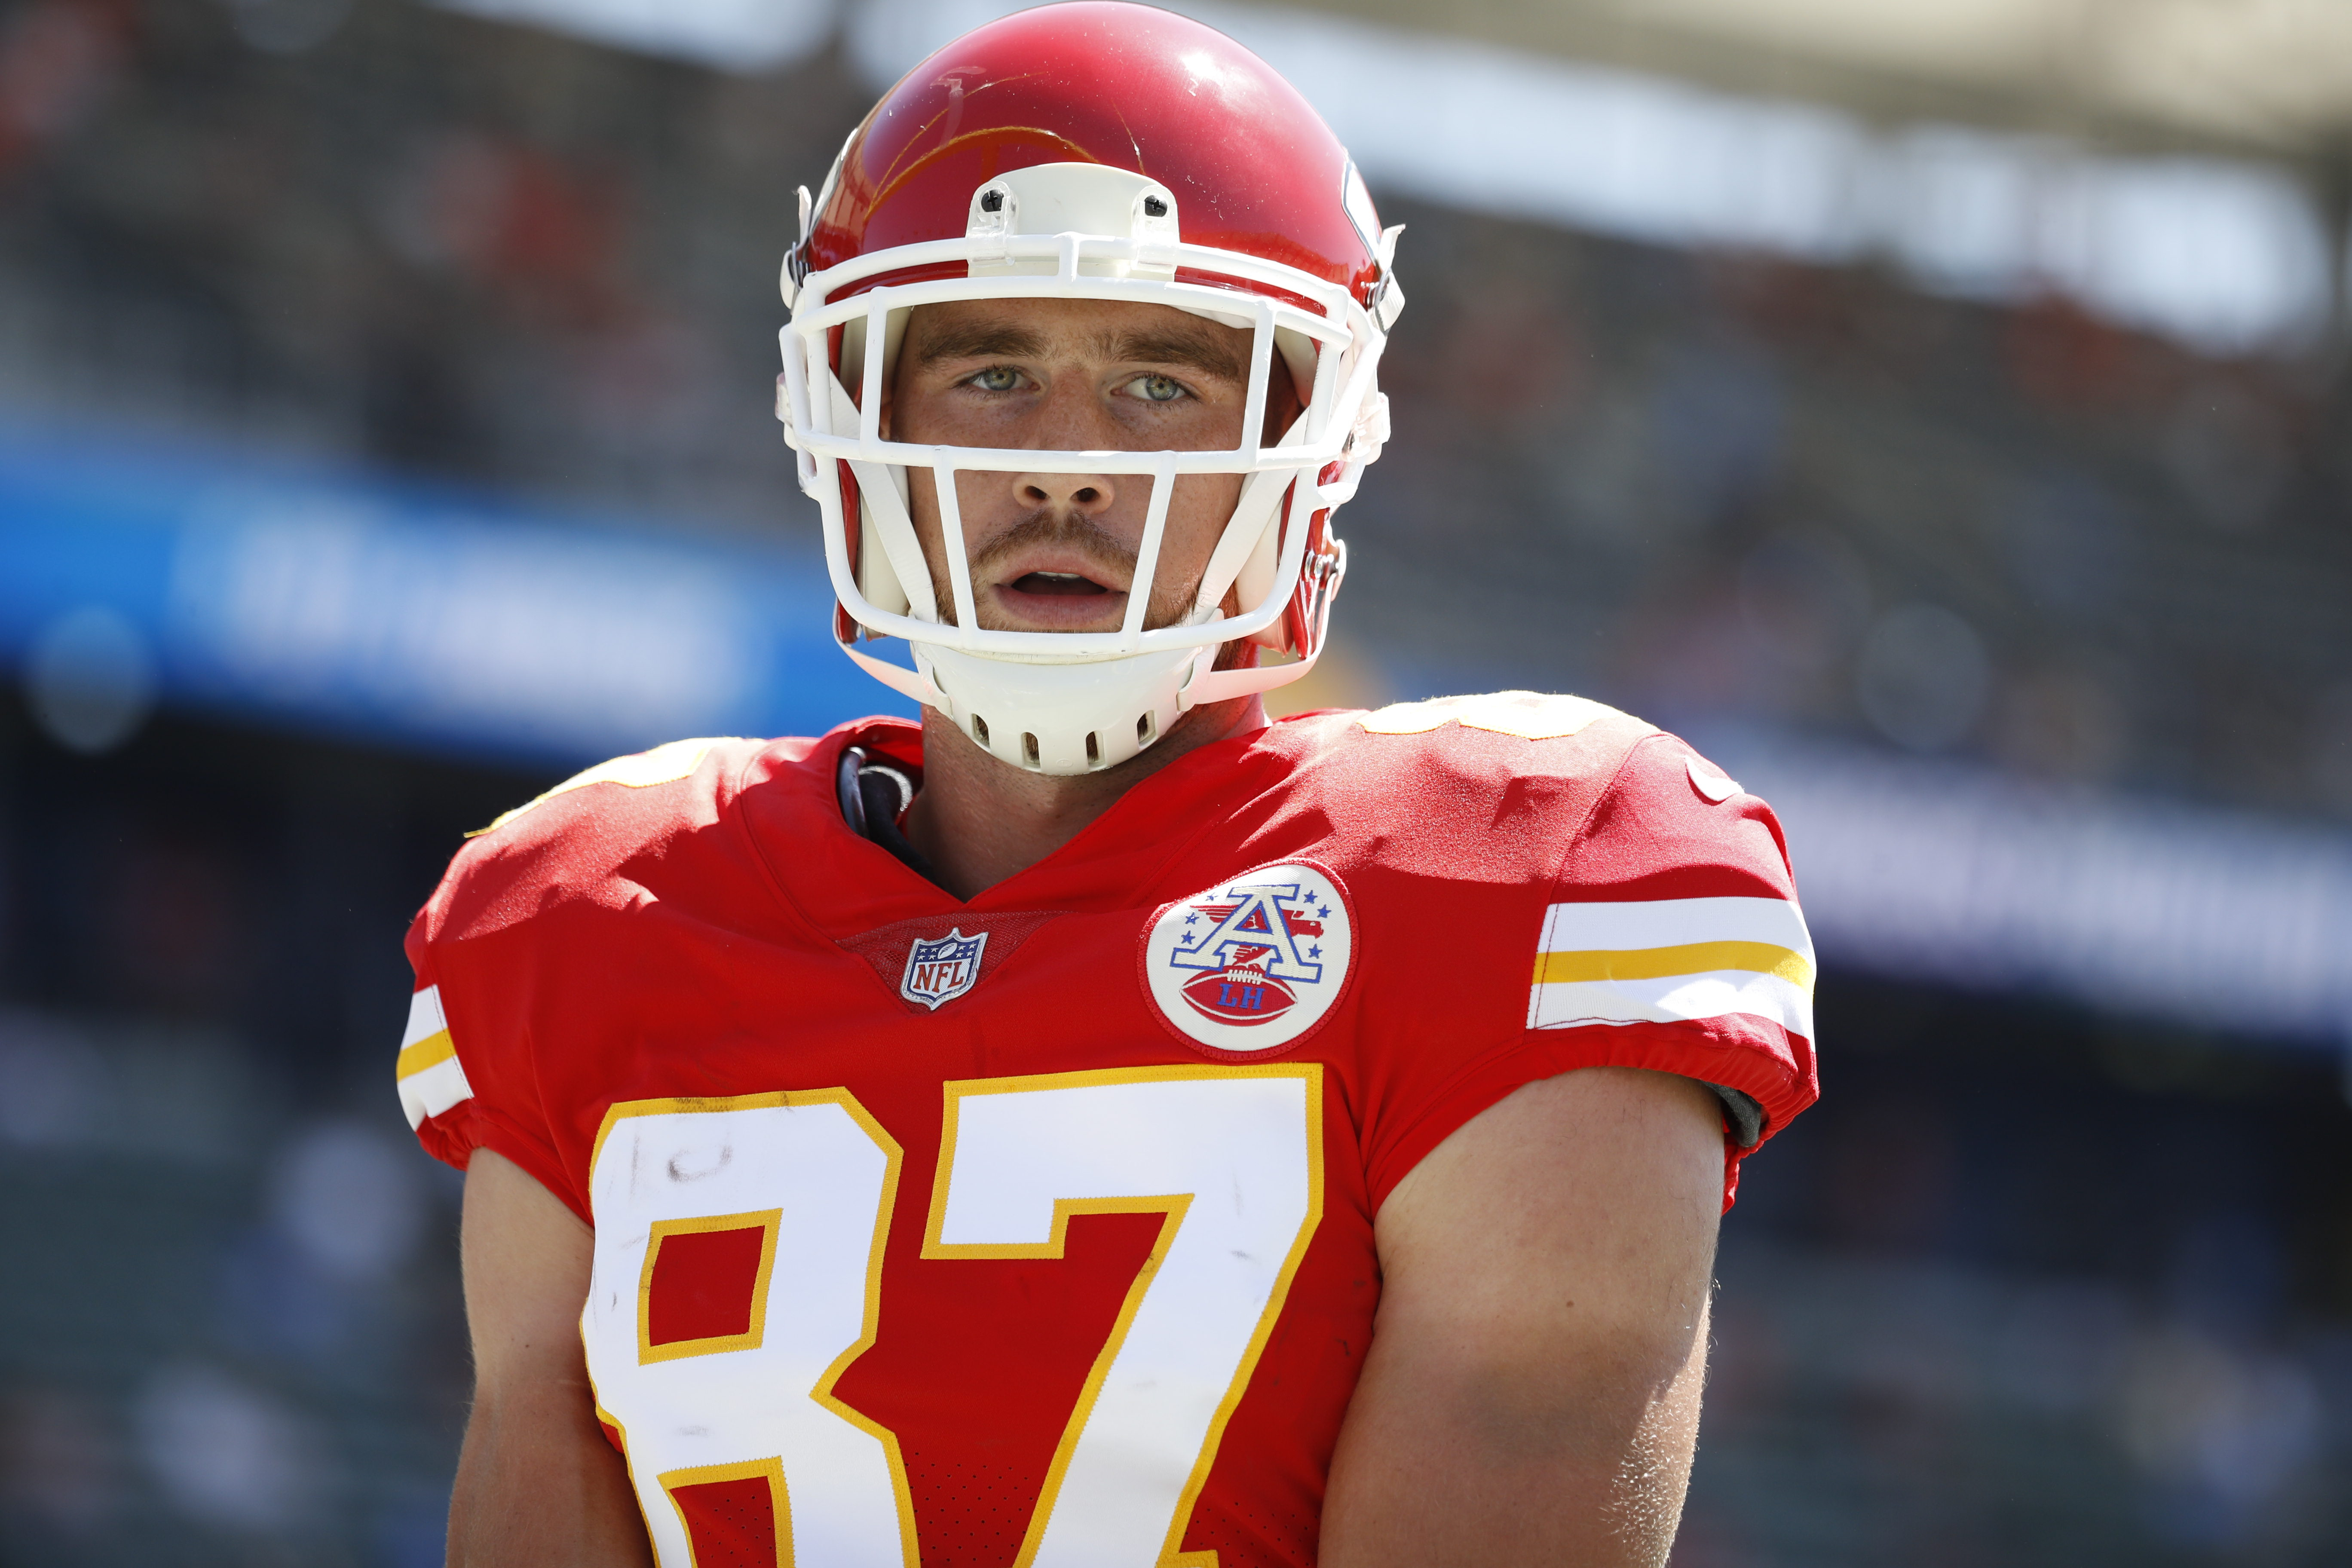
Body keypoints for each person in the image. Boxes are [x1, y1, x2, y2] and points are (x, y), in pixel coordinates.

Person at [394, 5, 1819, 1564]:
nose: (1069, 462)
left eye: (1162, 382)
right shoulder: (587, 911)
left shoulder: (1533, 873)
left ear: (1311, 436)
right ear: (852, 415)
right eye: (992, 368)